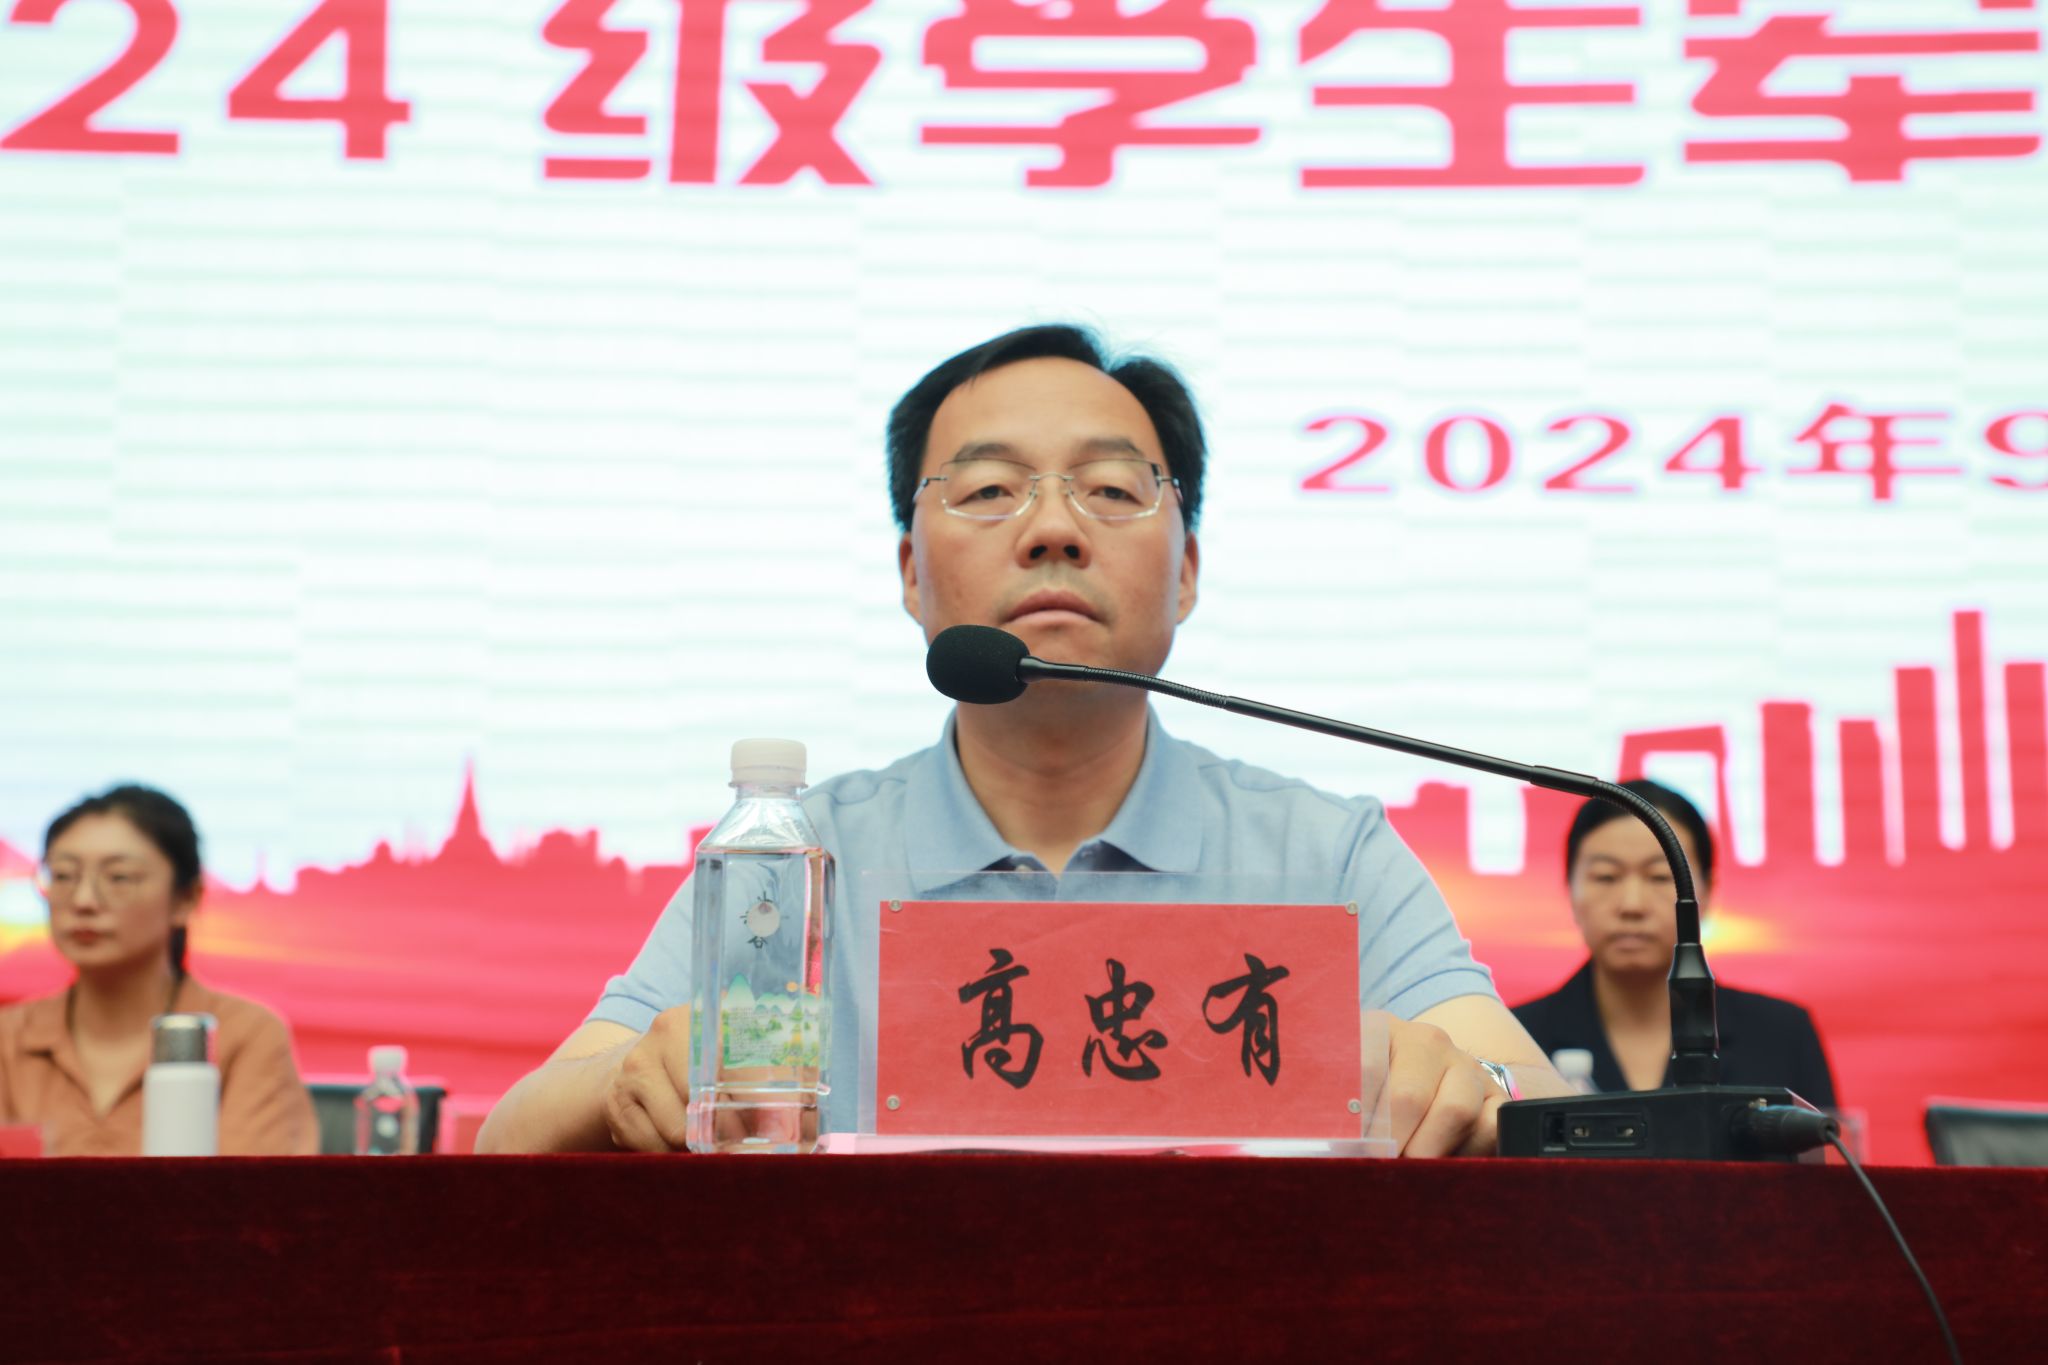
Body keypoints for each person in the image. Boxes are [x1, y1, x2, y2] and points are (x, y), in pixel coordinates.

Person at [479, 323, 1570, 1158]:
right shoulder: (795, 858)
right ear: (911, 573)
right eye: (991, 490)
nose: (1052, 530)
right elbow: (510, 1139)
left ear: (1187, 571)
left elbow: (1548, 1113)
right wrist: (627, 1083)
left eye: (1111, 489)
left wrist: (1469, 1086)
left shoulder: (1322, 852)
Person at [0, 784, 319, 1156]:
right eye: (63, 876)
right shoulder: (8, 1038)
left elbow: (255, 1188)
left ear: (186, 899)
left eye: (119, 877)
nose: (83, 900)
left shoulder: (244, 1035)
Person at [1511, 778, 1837, 1105]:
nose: (1632, 904)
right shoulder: (1515, 1038)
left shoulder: (1781, 1034)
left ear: (1707, 891)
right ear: (1570, 887)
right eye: (1606, 877)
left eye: (1660, 876)